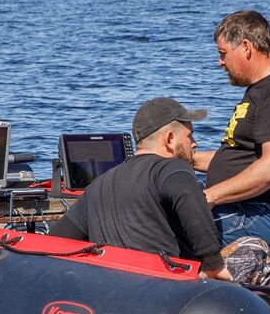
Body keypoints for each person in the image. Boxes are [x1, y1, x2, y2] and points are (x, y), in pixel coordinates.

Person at [49, 97, 232, 280]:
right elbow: (189, 201)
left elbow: (54, 243)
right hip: (168, 289)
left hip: (113, 287)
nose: (194, 143)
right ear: (169, 139)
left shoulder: (97, 186)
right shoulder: (171, 168)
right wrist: (213, 265)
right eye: (189, 135)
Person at [193, 10, 270, 253]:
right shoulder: (259, 91)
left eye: (223, 54)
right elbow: (240, 157)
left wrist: (209, 197)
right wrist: (185, 159)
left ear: (246, 47)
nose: (220, 62)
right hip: (246, 208)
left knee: (167, 226)